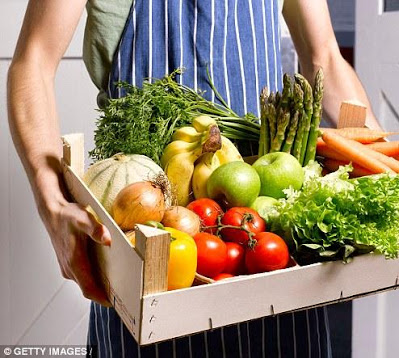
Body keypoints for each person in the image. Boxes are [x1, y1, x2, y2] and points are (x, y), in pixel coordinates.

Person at [7, 0, 377, 356]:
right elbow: (34, 62)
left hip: (261, 240)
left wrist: (381, 160)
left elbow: (324, 55)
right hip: (145, 247)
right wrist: (51, 202)